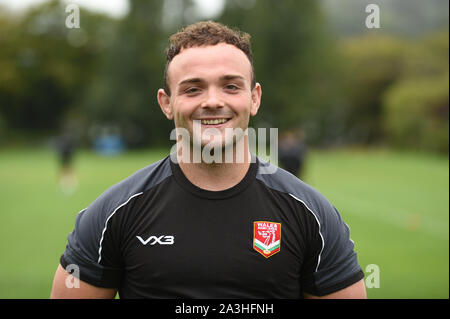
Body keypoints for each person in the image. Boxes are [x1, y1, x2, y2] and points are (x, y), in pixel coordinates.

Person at [50, 21, 366, 299]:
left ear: (254, 98)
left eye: (230, 86)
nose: (213, 101)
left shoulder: (314, 216)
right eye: (193, 89)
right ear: (166, 103)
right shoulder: (111, 215)